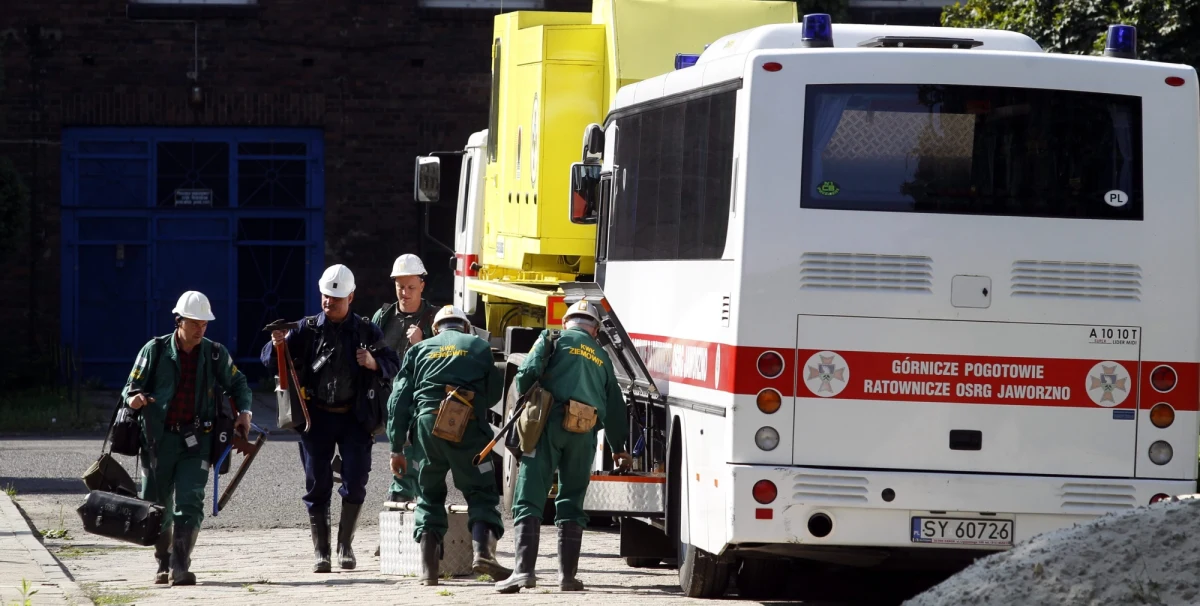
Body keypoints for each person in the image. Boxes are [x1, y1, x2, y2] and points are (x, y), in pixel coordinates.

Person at [260, 264, 400, 573]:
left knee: (356, 482)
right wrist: (277, 344)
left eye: (336, 298)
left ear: (351, 297)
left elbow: (393, 362)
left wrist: (375, 363)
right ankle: (321, 553)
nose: (329, 303)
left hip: (355, 417)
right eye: (325, 297)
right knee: (317, 483)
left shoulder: (366, 330)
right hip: (316, 417)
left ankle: (344, 546)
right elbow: (269, 362)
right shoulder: (305, 329)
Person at [495, 300, 631, 594]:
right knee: (571, 501)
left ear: (566, 322)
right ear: (594, 330)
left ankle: (523, 572)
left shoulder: (552, 339)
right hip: (583, 433)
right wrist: (618, 447)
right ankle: (567, 578)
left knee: (530, 495)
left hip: (548, 427)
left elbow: (525, 374)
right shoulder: (602, 357)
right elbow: (616, 407)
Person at [121, 290, 253, 586]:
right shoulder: (154, 350)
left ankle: (181, 564)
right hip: (158, 441)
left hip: (198, 440)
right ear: (178, 321)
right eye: (194, 323)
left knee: (191, 500)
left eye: (204, 324)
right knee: (156, 503)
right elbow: (130, 387)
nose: (200, 329)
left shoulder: (214, 353)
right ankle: (163, 561)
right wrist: (136, 400)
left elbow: (238, 382)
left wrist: (244, 411)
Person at [388, 305, 510, 585]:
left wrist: (396, 447)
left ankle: (429, 571)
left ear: (436, 329)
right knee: (481, 492)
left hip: (426, 428)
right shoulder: (479, 347)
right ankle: (483, 554)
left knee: (428, 494)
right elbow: (492, 394)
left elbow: (398, 402)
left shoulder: (419, 351)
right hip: (467, 426)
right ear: (465, 327)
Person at [371, 254, 437, 506]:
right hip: (388, 398)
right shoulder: (383, 317)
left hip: (421, 401)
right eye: (401, 287)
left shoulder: (435, 319)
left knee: (412, 454)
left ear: (422, 285)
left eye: (411, 287)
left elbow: (445, 362)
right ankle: (409, 505)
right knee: (400, 451)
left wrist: (422, 343)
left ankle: (401, 499)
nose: (405, 293)